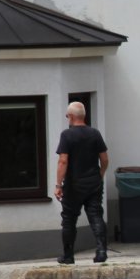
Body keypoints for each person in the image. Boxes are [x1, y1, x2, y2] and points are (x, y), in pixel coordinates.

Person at [55, 101, 109, 264]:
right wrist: (100, 175)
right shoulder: (95, 133)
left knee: (69, 219)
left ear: (71, 116)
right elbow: (104, 159)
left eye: (67, 116)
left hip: (74, 184)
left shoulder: (67, 135)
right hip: (93, 183)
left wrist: (58, 185)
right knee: (96, 215)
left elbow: (63, 161)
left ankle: (68, 255)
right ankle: (101, 251)